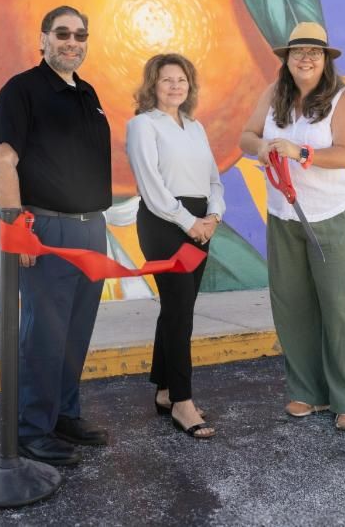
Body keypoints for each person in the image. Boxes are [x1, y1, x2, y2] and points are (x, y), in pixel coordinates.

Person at [0, 5, 113, 466]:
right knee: (44, 334)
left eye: (81, 34)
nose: (72, 42)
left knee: (75, 331)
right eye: (63, 34)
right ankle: (30, 430)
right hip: (47, 228)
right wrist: (16, 222)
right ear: (43, 38)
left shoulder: (88, 92)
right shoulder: (22, 90)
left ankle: (63, 415)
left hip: (90, 226)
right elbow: (3, 159)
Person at [238, 22, 345, 433]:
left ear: (326, 59)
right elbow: (246, 135)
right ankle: (307, 392)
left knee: (340, 308)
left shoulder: (342, 99)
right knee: (293, 306)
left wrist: (301, 152)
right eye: (298, 52)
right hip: (283, 216)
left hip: (331, 215)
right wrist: (260, 147)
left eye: (315, 52)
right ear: (287, 59)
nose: (306, 58)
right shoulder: (273, 94)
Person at [126, 53, 224, 440]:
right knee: (181, 313)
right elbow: (152, 189)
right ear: (153, 85)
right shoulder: (142, 126)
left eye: (181, 80)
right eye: (166, 80)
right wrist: (190, 223)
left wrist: (213, 218)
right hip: (165, 224)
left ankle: (165, 390)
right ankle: (183, 402)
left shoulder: (195, 128)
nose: (174, 86)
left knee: (177, 308)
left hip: (201, 222)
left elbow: (214, 180)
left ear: (190, 85)